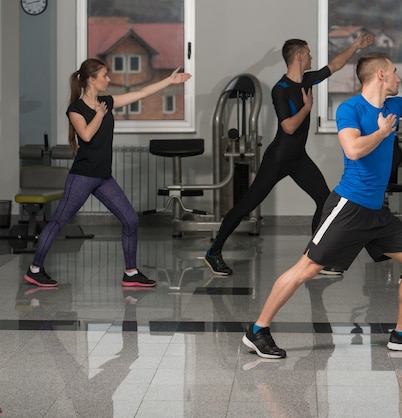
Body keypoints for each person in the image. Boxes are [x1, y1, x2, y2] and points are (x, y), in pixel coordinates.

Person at [241, 52, 402, 359]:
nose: (400, 78)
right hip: (349, 207)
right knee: (307, 269)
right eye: (395, 72)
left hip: (376, 212)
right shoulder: (351, 109)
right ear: (381, 75)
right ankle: (257, 330)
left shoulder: (393, 106)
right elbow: (353, 149)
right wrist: (383, 132)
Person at [203, 34, 375, 277]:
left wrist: (356, 46)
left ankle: (315, 257)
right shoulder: (280, 89)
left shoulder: (307, 80)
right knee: (247, 205)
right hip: (279, 158)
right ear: (299, 56)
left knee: (324, 200)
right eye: (309, 52)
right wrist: (307, 108)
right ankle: (214, 252)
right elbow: (289, 127)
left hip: (298, 158)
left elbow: (334, 66)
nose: (312, 57)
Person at [23, 58, 192, 288]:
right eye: (104, 75)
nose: (109, 79)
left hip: (103, 177)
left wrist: (170, 81)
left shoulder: (106, 101)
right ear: (91, 79)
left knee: (130, 219)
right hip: (82, 177)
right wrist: (100, 115)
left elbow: (141, 93)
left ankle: (131, 272)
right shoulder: (75, 109)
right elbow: (86, 135)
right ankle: (35, 269)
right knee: (59, 221)